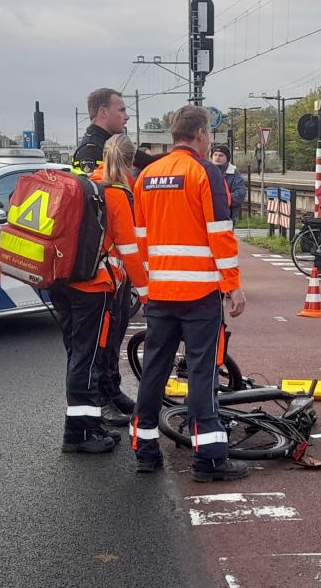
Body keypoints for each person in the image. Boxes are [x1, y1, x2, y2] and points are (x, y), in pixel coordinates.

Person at [130, 105, 248, 482]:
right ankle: (209, 459)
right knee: (201, 371)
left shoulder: (147, 176)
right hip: (199, 294)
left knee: (154, 370)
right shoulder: (205, 173)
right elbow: (220, 233)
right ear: (200, 135)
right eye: (208, 135)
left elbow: (140, 240)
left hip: (161, 293)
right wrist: (232, 286)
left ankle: (144, 450)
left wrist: (146, 290)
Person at [49, 134, 148, 454]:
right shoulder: (116, 194)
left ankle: (89, 424)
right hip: (93, 287)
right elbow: (130, 251)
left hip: (61, 282)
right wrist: (146, 293)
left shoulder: (82, 184)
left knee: (76, 355)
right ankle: (78, 435)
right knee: (87, 359)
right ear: (131, 162)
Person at [73, 88, 157, 424]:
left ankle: (112, 390)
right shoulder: (92, 152)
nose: (126, 116)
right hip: (98, 266)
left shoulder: (110, 150)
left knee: (115, 330)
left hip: (112, 269)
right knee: (99, 341)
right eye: (122, 110)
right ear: (102, 112)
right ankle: (99, 401)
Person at [210, 145, 246, 222]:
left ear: (227, 158)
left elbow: (240, 194)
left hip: (228, 218)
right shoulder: (205, 171)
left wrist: (221, 199)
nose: (217, 157)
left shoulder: (234, 174)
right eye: (215, 155)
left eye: (221, 155)